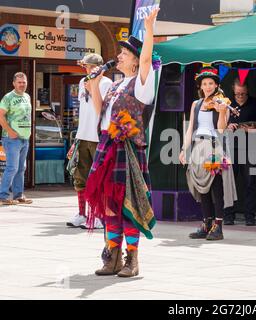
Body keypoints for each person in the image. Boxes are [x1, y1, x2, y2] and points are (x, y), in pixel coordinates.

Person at [84, 9, 159, 277]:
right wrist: (93, 84)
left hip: (126, 149)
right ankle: (111, 258)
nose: (119, 56)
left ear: (136, 62)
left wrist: (149, 29)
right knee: (108, 205)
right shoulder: (115, 85)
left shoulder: (142, 84)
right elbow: (100, 112)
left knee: (128, 205)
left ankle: (132, 260)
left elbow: (148, 58)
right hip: (107, 146)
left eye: (125, 54)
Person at [179, 66, 237, 241]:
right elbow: (190, 129)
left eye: (211, 83)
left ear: (216, 85)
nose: (208, 86)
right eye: (204, 83)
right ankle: (207, 223)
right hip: (198, 146)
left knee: (215, 187)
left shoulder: (222, 103)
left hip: (214, 147)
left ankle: (218, 226)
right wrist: (184, 149)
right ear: (201, 86)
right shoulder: (196, 105)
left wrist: (221, 112)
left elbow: (220, 129)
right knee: (202, 187)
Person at [66, 54, 112, 229]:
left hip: (98, 137)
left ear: (99, 67)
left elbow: (102, 108)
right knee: (80, 176)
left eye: (91, 67)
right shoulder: (82, 82)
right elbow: (83, 108)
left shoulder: (106, 83)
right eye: (86, 66)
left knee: (99, 178)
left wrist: (93, 87)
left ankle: (99, 215)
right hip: (83, 135)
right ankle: (82, 213)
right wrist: (76, 138)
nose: (87, 70)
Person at [224, 79, 256, 226]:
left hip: (250, 148)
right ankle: (228, 216)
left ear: (247, 91)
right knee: (230, 183)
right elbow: (219, 124)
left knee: (249, 183)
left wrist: (252, 129)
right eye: (237, 94)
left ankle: (249, 216)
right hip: (231, 148)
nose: (240, 96)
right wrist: (228, 125)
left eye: (243, 93)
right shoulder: (227, 103)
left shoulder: (255, 103)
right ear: (233, 91)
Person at [0, 72, 33, 206]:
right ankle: (3, 196)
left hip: (25, 138)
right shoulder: (8, 97)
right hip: (12, 138)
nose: (22, 84)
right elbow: (0, 116)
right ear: (14, 83)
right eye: (19, 82)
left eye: (24, 82)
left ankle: (19, 195)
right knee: (12, 167)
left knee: (21, 168)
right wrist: (10, 131)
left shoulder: (27, 97)